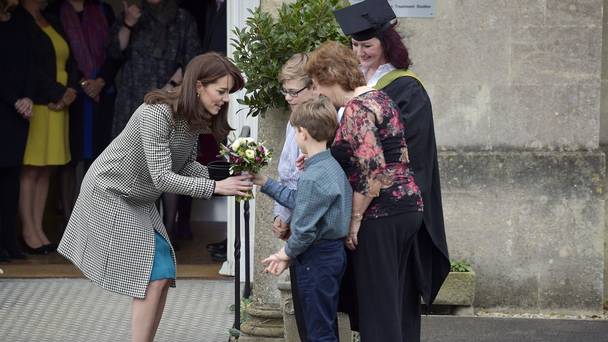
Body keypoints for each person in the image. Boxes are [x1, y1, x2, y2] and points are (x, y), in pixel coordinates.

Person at [57, 53, 253, 342]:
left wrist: (221, 176)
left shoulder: (192, 120)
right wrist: (216, 189)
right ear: (199, 86)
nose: (224, 99)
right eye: (221, 91)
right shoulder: (157, 114)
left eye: (228, 94)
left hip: (139, 199)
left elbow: (184, 165)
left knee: (161, 273)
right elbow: (162, 176)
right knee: (152, 275)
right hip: (109, 193)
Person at [334, 0, 450, 328]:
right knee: (377, 296)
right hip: (365, 199)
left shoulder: (406, 87)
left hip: (388, 203)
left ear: (387, 44)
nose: (360, 52)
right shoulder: (355, 84)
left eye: (367, 45)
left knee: (391, 296)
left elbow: (404, 150)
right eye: (354, 45)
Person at [306, 40, 430, 341]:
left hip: (381, 215)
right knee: (398, 301)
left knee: (377, 306)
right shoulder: (380, 99)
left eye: (317, 84)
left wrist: (356, 217)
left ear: (332, 76)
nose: (318, 92)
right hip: (408, 208)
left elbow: (372, 171)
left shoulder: (356, 109)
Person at [253, 96, 352, 342]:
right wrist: (266, 183)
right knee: (323, 325)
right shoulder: (330, 166)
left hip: (316, 257)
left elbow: (305, 228)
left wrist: (285, 253)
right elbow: (305, 205)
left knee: (318, 331)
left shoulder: (313, 175)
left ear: (303, 133)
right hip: (329, 254)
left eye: (295, 131)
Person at [110, 0, 202, 247]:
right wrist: (128, 23)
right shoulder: (132, 14)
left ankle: (168, 231)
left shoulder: (183, 18)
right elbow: (112, 54)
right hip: (132, 98)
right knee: (134, 165)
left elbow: (193, 62)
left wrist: (171, 87)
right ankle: (135, 233)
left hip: (169, 98)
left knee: (167, 162)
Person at [45, 0, 122, 223]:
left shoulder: (103, 9)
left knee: (99, 158)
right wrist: (81, 83)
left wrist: (100, 81)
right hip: (72, 96)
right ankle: (69, 220)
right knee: (69, 158)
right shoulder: (55, 11)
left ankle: (95, 218)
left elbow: (115, 52)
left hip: (103, 94)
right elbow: (57, 54)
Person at [19, 0, 79, 255]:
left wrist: (70, 91)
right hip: (40, 103)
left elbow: (70, 59)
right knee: (32, 169)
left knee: (47, 169)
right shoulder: (20, 21)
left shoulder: (51, 18)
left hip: (59, 105)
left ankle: (39, 230)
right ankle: (28, 230)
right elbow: (29, 67)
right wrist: (57, 92)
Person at [0, 0, 35, 262]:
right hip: (6, 105)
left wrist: (29, 97)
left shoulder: (22, 21)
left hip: (19, 112)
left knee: (12, 178)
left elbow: (32, 65)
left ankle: (10, 242)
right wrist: (15, 99)